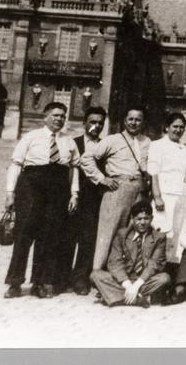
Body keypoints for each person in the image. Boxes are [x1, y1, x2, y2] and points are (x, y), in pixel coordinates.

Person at [3, 102, 81, 299]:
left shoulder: (69, 142)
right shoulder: (31, 137)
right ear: (45, 117)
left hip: (57, 191)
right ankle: (14, 283)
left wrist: (74, 194)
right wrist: (10, 192)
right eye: (55, 115)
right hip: (31, 188)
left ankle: (39, 283)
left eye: (62, 116)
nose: (59, 119)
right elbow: (16, 164)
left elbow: (74, 169)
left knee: (48, 237)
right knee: (24, 235)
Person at [82, 106, 150, 272]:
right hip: (117, 189)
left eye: (138, 120)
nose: (134, 123)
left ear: (143, 122)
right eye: (130, 119)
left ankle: (123, 274)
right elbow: (86, 158)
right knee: (109, 233)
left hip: (139, 190)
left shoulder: (147, 142)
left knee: (132, 233)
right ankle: (98, 274)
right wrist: (102, 179)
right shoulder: (112, 140)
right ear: (125, 121)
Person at [59, 106, 106, 295]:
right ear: (84, 123)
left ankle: (80, 279)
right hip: (72, 198)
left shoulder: (105, 146)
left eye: (100, 123)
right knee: (67, 237)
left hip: (94, 201)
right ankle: (62, 278)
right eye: (93, 122)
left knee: (88, 240)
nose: (96, 126)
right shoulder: (73, 143)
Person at [90, 201, 171, 307]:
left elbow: (154, 265)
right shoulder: (122, 234)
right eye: (139, 219)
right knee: (95, 275)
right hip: (124, 280)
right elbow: (114, 263)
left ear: (151, 218)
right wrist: (128, 286)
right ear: (132, 219)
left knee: (164, 278)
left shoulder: (159, 237)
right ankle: (138, 300)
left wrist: (136, 286)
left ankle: (115, 297)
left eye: (146, 218)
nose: (142, 222)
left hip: (144, 280)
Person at [147, 112, 186, 266]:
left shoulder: (185, 149)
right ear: (167, 127)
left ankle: (171, 270)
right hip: (164, 196)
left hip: (181, 197)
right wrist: (157, 197)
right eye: (175, 126)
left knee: (178, 234)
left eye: (181, 127)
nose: (178, 130)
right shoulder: (157, 145)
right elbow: (153, 172)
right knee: (162, 231)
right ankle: (155, 267)